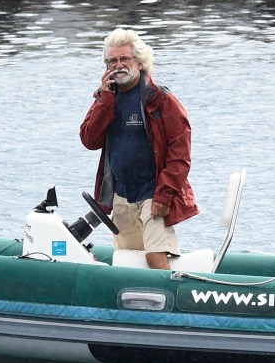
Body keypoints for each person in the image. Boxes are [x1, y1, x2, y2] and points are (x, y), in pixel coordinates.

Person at [80, 28, 198, 270]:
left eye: (125, 59)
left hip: (153, 194)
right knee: (127, 261)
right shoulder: (105, 97)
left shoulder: (161, 99)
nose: (118, 65)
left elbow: (181, 154)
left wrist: (164, 195)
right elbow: (89, 140)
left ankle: (170, 304)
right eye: (112, 60)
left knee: (154, 256)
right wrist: (105, 99)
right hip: (121, 195)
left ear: (140, 62)